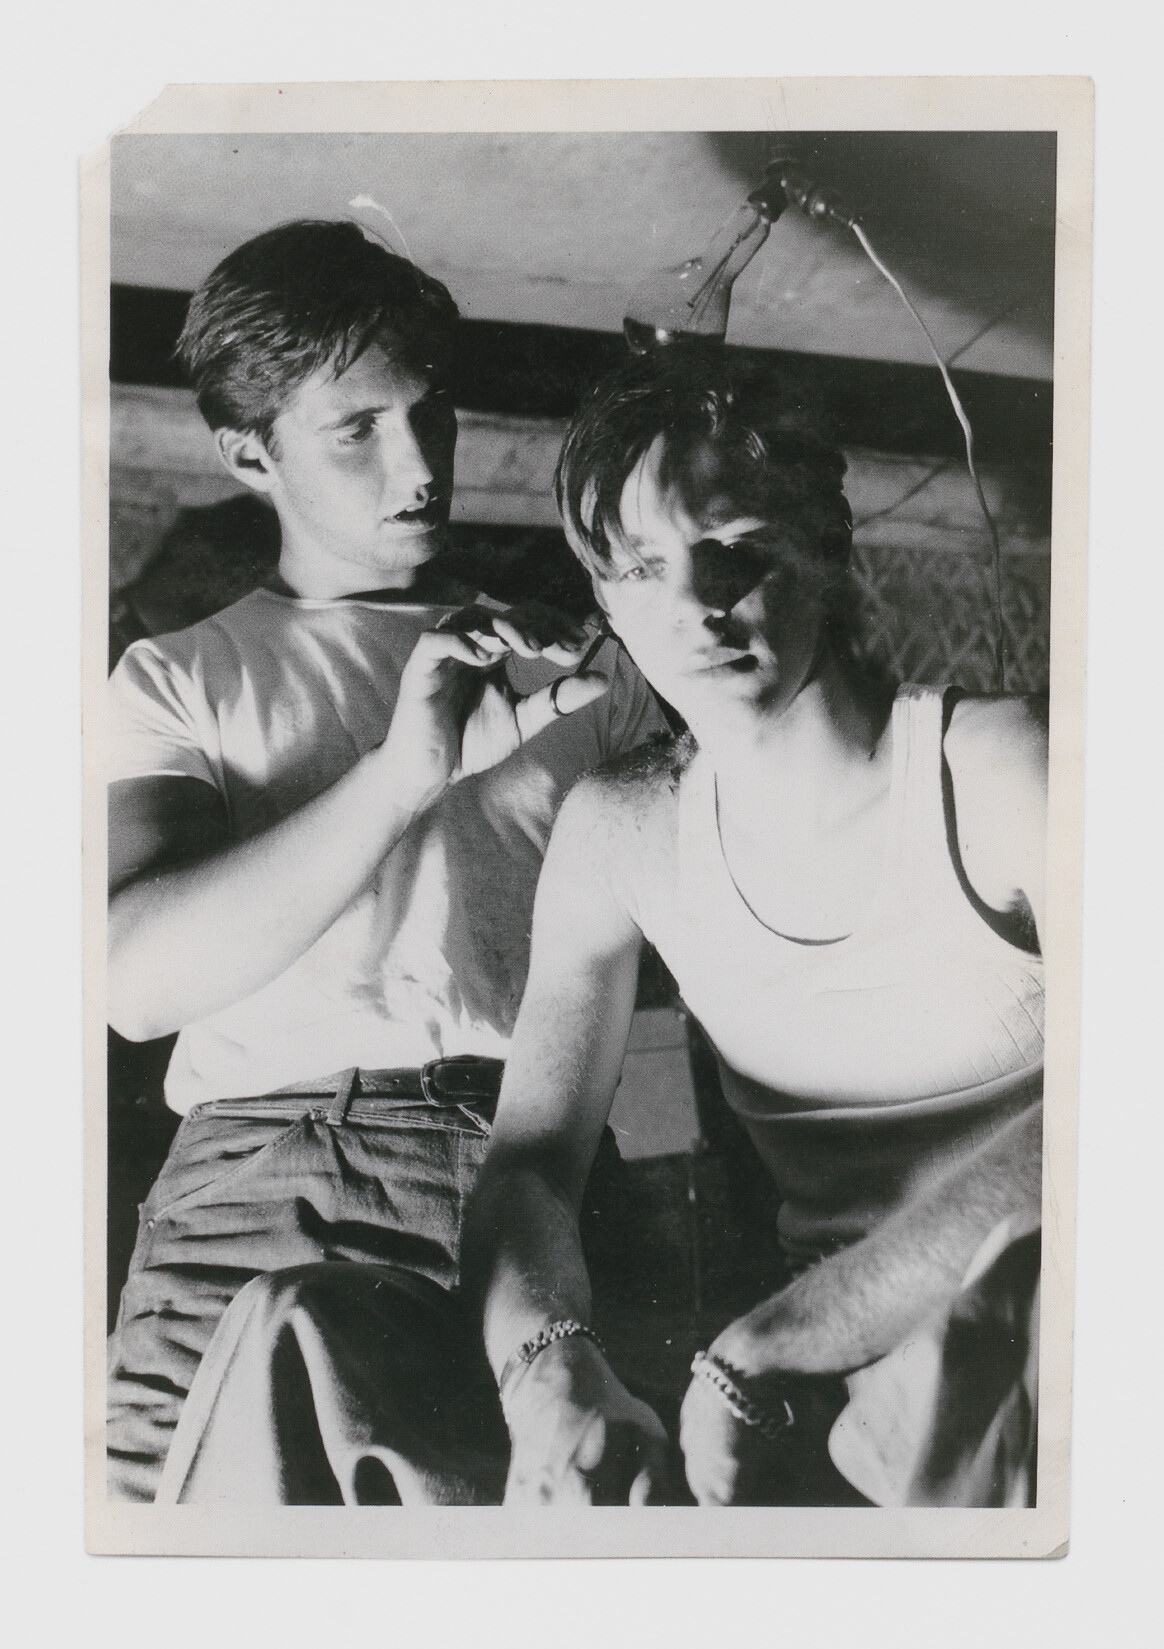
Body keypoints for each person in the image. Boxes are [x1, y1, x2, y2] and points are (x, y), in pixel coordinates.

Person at [105, 221, 667, 1504]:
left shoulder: (588, 664)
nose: (418, 463)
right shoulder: (176, 677)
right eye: (356, 428)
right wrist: (405, 773)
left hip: (538, 1184)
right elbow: (133, 978)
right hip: (253, 1187)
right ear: (251, 453)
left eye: (433, 411)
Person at [463, 350, 1046, 1508]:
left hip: (1043, 1334)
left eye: (732, 545)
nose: (694, 604)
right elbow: (529, 1164)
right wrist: (546, 1365)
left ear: (825, 551)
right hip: (810, 1389)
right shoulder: (617, 833)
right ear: (609, 604)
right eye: (641, 567)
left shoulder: (1001, 768)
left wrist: (778, 1337)